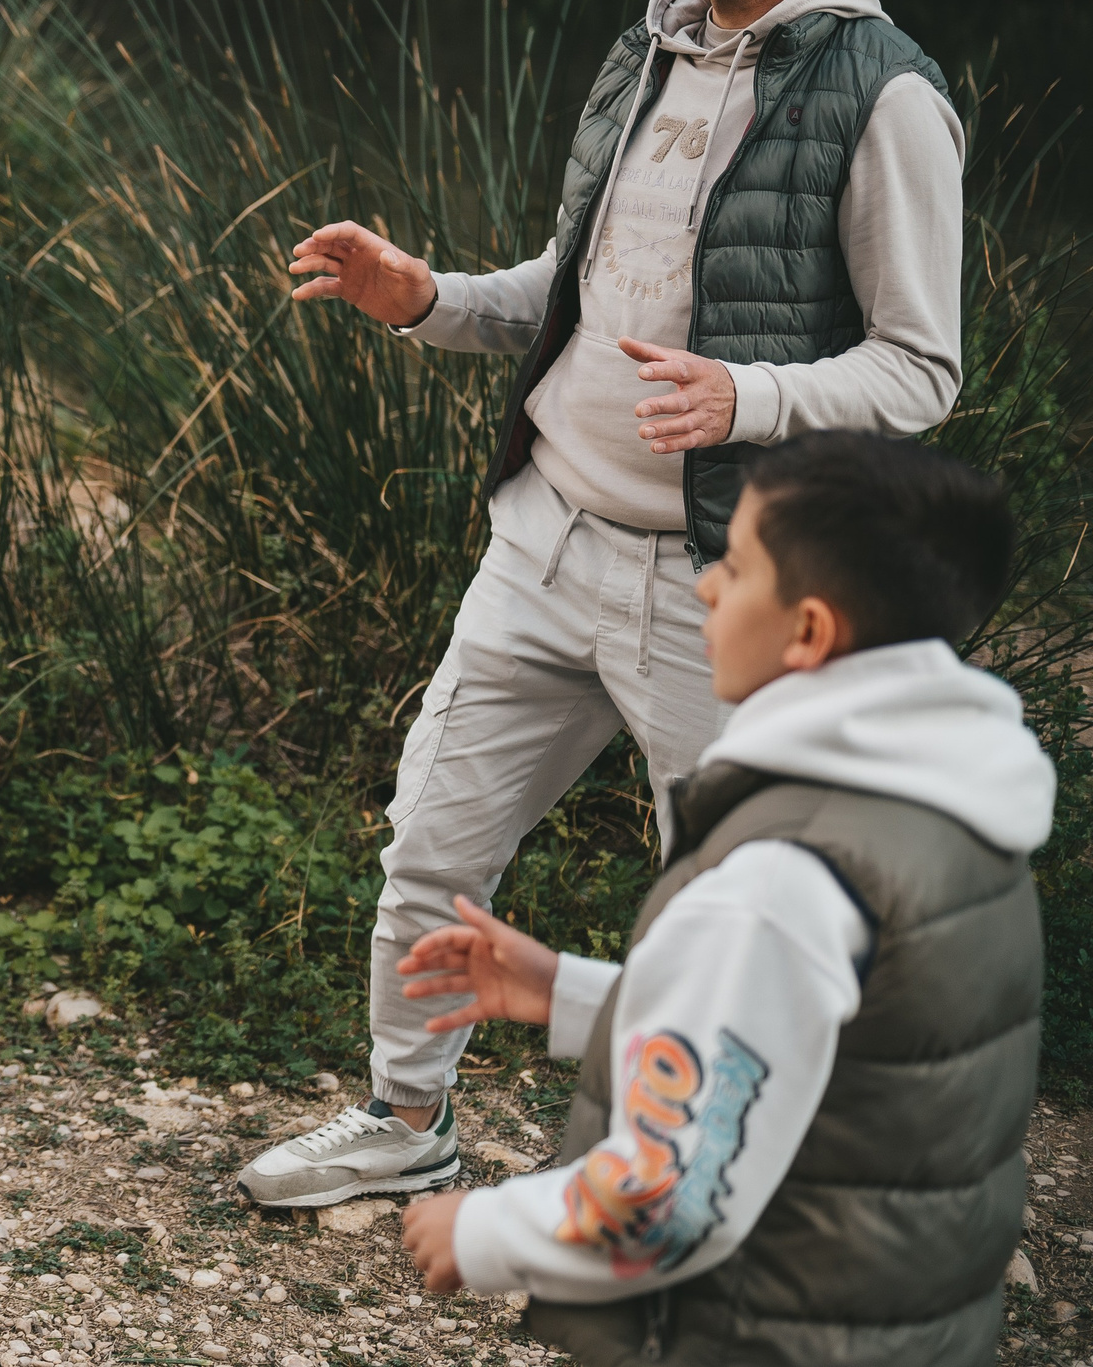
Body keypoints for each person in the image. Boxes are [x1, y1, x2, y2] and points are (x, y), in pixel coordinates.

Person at [242, 0, 968, 1206]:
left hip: (719, 590)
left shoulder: (887, 96)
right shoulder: (651, 49)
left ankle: (748, 1187)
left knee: (726, 911)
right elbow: (572, 292)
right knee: (431, 844)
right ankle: (406, 1117)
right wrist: (422, 294)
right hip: (543, 537)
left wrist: (746, 396)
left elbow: (922, 370)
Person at [393, 431, 1044, 1365]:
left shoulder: (782, 874)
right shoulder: (956, 807)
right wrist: (578, 996)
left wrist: (485, 1230)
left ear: (809, 630)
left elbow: (664, 1201)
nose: (704, 587)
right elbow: (831, 1045)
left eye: (735, 566)